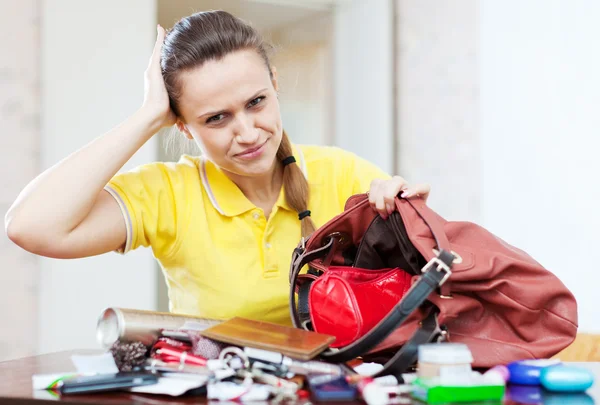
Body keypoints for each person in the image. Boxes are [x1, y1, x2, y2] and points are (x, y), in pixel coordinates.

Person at [5, 11, 431, 326]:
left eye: (256, 102)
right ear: (183, 127)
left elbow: (430, 285)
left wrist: (411, 221)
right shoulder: (168, 194)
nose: (247, 133)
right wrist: (147, 116)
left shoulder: (340, 172)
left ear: (275, 84)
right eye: (216, 118)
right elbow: (32, 226)